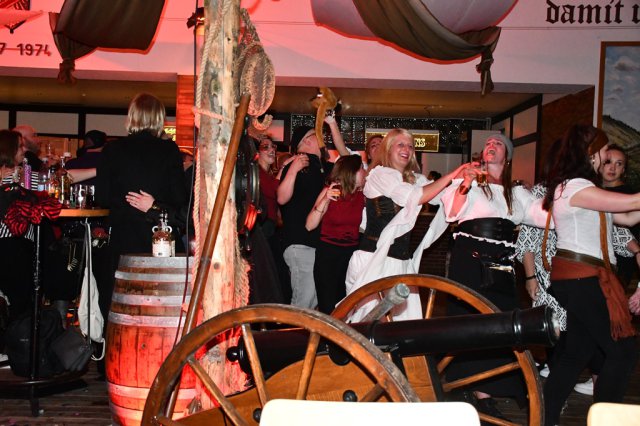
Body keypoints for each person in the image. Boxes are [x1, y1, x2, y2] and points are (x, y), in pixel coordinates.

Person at [438, 133, 547, 420]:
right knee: (473, 319)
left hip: (502, 263)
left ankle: (495, 384)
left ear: (507, 157)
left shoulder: (517, 192)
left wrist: (566, 200)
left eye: (498, 143)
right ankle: (478, 392)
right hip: (470, 259)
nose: (491, 145)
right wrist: (465, 183)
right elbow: (451, 212)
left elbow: (542, 216)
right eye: (488, 143)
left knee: (501, 321)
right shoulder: (470, 181)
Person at [540, 124, 640, 426]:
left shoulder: (583, 189)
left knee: (577, 353)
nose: (607, 156)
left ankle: (545, 418)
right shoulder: (575, 187)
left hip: (581, 279)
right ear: (591, 152)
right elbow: (631, 202)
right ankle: (605, 420)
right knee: (623, 352)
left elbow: (627, 216)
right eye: (604, 150)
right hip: (582, 278)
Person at [96, 93, 187, 373]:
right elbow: (181, 202)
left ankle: (115, 362)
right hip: (158, 238)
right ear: (159, 119)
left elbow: (102, 197)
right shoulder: (169, 151)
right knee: (157, 302)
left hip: (122, 236)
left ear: (132, 116)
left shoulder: (112, 150)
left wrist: (125, 202)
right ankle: (156, 362)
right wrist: (153, 206)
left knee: (118, 300)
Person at [344, 128, 468, 321]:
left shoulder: (416, 180)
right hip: (374, 258)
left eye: (410, 146)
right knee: (367, 322)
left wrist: (465, 183)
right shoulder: (379, 174)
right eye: (400, 144)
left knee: (405, 324)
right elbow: (413, 197)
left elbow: (448, 201)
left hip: (401, 262)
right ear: (388, 149)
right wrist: (452, 175)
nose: (407, 149)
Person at [277, 120, 349, 309]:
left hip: (320, 244)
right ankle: (292, 329)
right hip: (300, 241)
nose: (322, 138)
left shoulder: (325, 167)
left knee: (314, 299)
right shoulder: (297, 164)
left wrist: (332, 124)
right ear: (307, 140)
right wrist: (293, 169)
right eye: (317, 135)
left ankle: (299, 329)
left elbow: (348, 161)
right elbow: (282, 198)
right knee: (305, 299)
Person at [306, 154, 366, 314]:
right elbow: (309, 225)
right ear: (351, 172)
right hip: (328, 255)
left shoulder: (363, 195)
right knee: (328, 306)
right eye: (361, 168)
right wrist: (325, 200)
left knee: (346, 306)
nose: (365, 171)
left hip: (350, 255)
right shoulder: (331, 191)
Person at [601, 144, 640, 287]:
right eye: (608, 162)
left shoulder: (630, 195)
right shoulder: (593, 191)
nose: (612, 168)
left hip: (621, 263)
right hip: (595, 259)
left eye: (619, 164)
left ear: (623, 170)